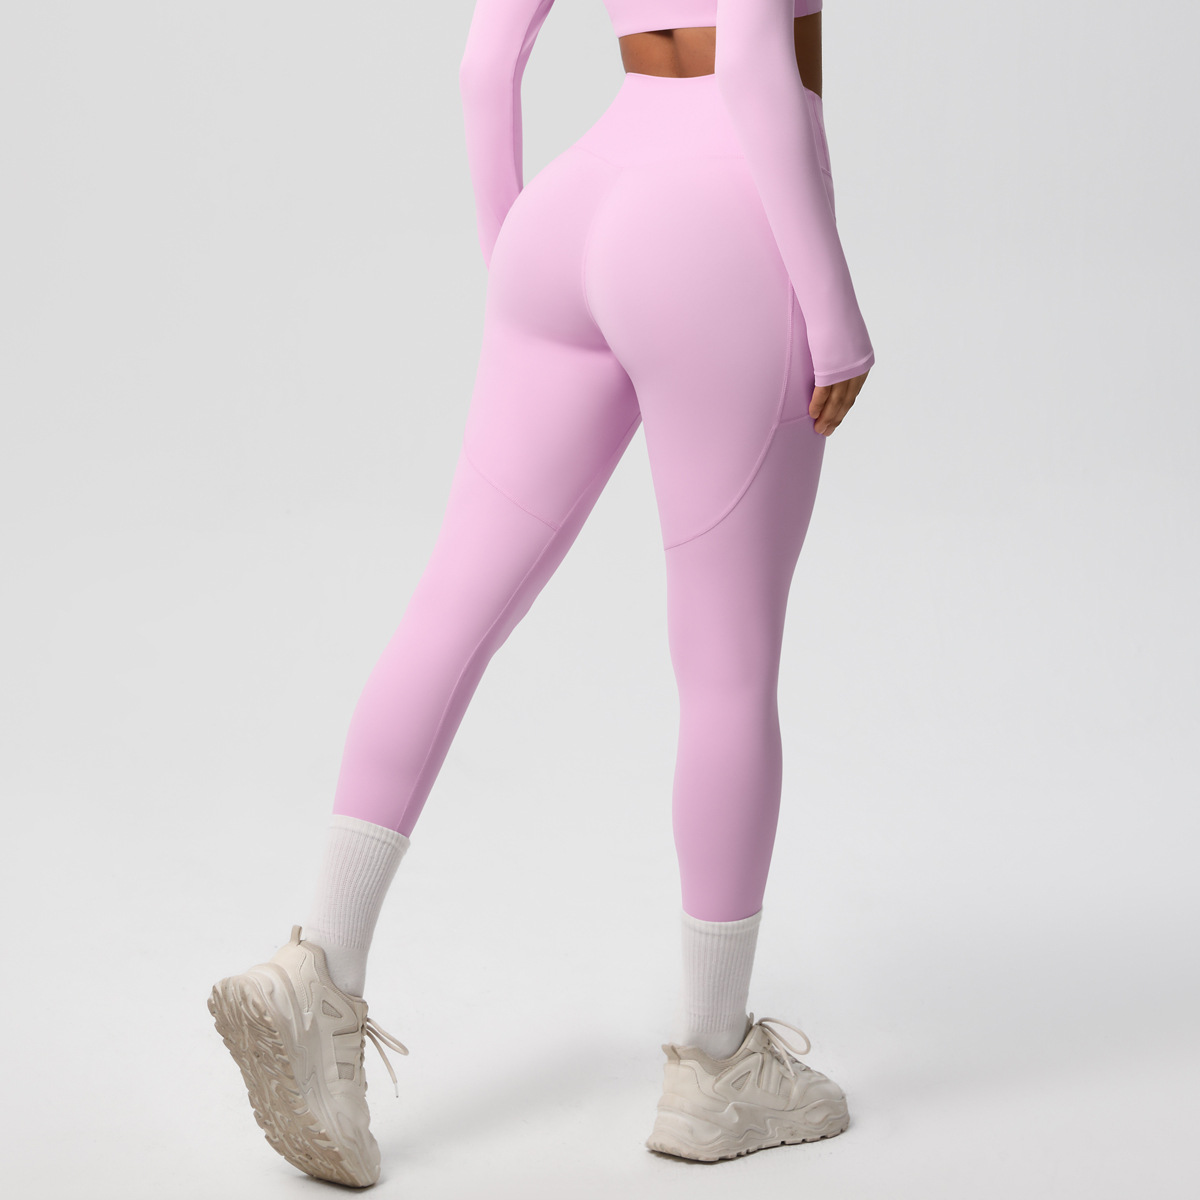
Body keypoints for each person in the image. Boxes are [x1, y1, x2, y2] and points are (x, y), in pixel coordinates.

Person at [208, 0, 873, 1186]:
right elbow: (756, 60)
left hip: (570, 212)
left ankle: (318, 967)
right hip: (723, 222)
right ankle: (716, 1067)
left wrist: (513, 262)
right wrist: (833, 309)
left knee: (452, 607)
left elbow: (486, 63)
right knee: (727, 665)